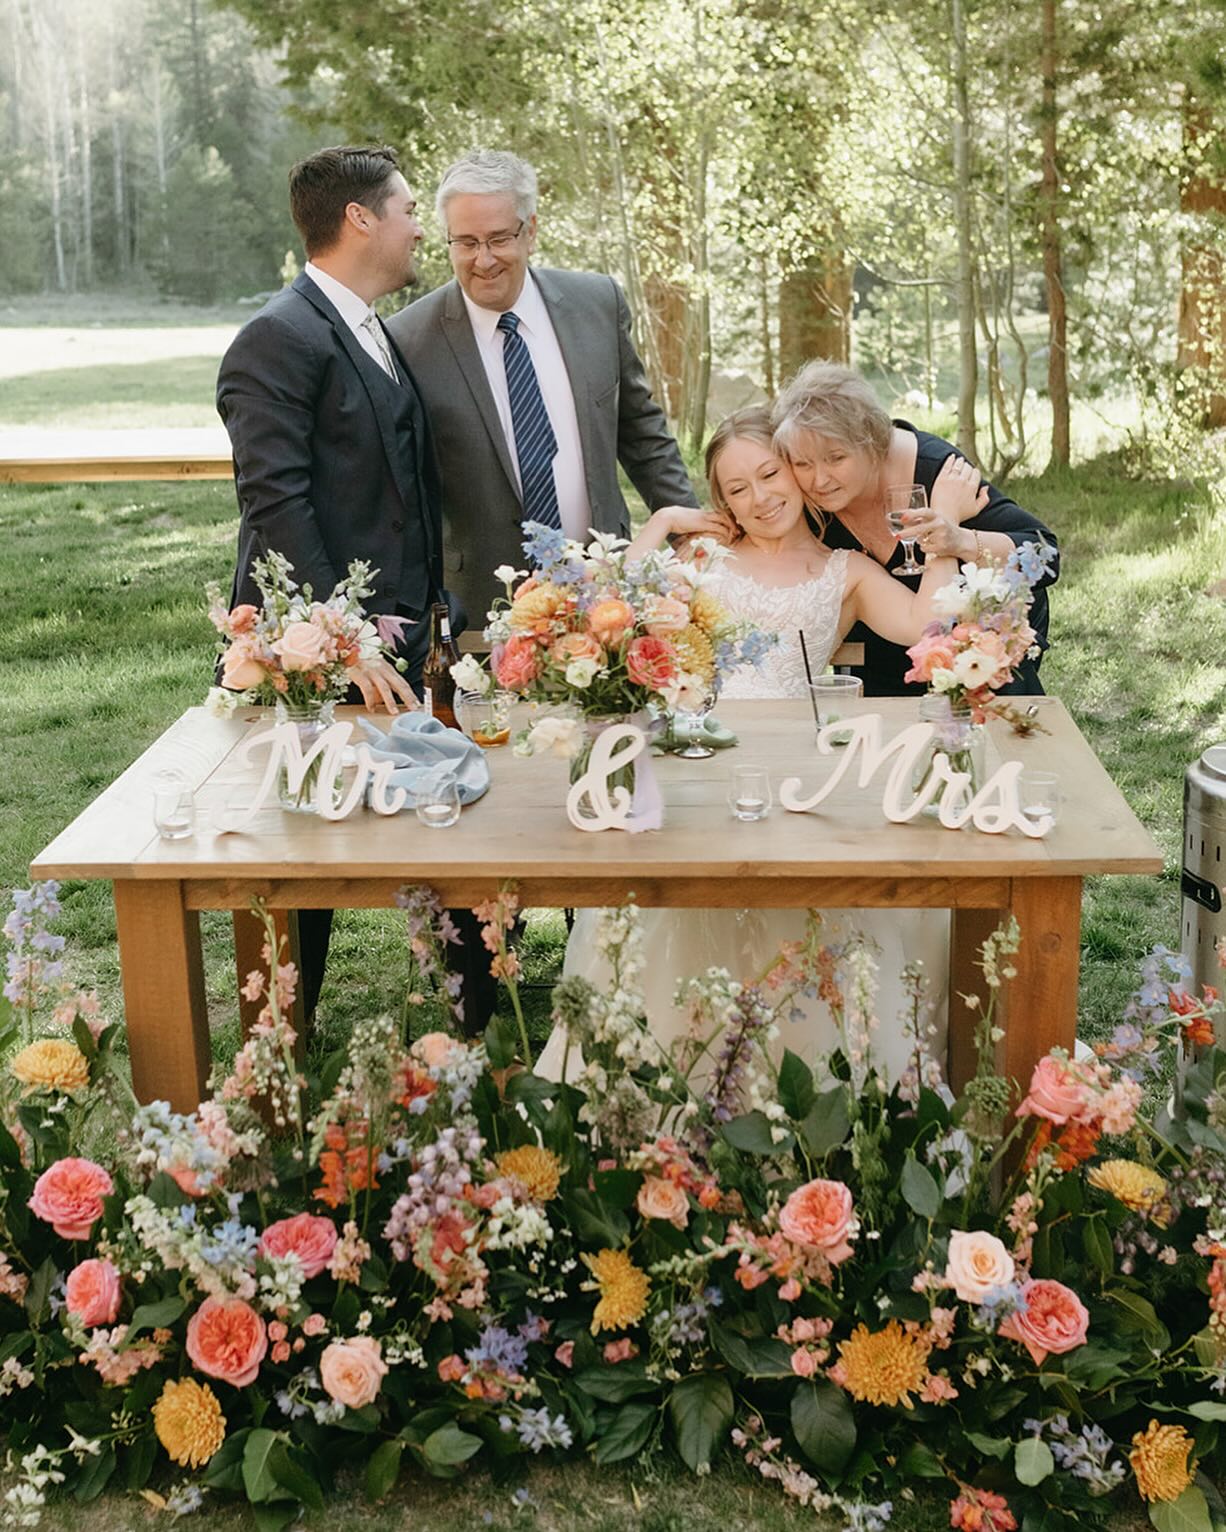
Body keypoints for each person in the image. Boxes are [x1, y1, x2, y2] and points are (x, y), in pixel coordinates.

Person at [537, 407, 985, 1087]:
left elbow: (926, 622)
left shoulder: (848, 571)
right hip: (697, 765)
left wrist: (942, 534)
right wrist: (660, 527)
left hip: (796, 777)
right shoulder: (701, 560)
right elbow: (612, 612)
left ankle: (806, 1084)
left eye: (770, 474)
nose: (760, 497)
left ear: (799, 474)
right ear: (721, 503)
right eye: (737, 488)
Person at [216, 144, 492, 1029]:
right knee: (304, 847)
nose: (421, 227)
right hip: (319, 647)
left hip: (410, 636)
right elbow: (275, 503)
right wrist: (348, 639)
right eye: (409, 208)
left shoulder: (372, 325)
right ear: (361, 219)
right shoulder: (277, 339)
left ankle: (478, 1020)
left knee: (446, 804)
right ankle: (280, 1039)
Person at [386, 148, 699, 625]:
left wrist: (691, 533)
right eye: (465, 243)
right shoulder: (408, 340)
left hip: (607, 588)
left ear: (530, 230)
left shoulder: (598, 304)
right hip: (482, 605)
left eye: (498, 239)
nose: (483, 260)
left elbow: (643, 437)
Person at [772, 361, 1059, 696]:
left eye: (836, 459)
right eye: (803, 464)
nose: (819, 480)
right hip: (878, 657)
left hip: (979, 647)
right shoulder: (803, 496)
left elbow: (1046, 555)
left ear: (873, 443)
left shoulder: (936, 470)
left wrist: (958, 538)